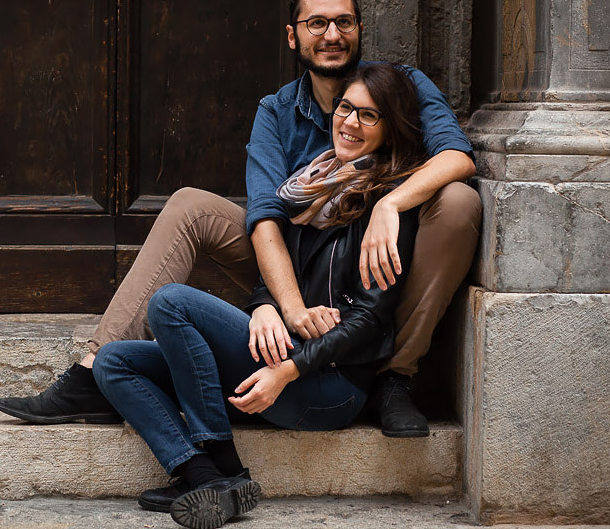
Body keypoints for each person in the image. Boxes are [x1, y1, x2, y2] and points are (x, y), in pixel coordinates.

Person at [0, 0, 481, 437]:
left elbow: (457, 156)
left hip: (378, 262)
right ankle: (93, 373)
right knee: (189, 206)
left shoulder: (402, 85)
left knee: (459, 202)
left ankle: (395, 376)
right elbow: (265, 217)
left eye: (344, 23)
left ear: (359, 30)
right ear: (294, 37)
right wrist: (284, 307)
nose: (332, 35)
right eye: (317, 24)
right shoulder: (276, 110)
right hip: (296, 261)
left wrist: (389, 205)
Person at [92, 63, 428, 529]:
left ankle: (224, 464)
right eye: (346, 108)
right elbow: (276, 268)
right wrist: (266, 305)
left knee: (171, 301)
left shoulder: (387, 207)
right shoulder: (310, 183)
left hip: (328, 384)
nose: (350, 122)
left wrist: (287, 371)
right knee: (114, 362)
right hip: (283, 353)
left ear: (391, 129)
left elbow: (370, 320)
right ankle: (202, 473)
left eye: (368, 116)